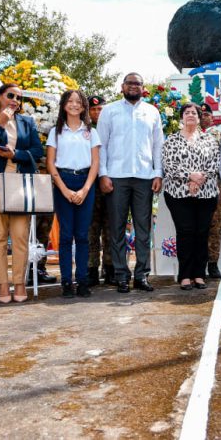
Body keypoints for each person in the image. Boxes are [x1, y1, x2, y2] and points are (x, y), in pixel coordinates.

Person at [0, 82, 44, 303]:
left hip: (19, 185)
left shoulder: (27, 122)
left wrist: (15, 154)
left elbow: (37, 151)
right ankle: (2, 284)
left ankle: (19, 283)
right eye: (11, 95)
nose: (15, 100)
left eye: (19, 97)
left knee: (21, 237)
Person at [97, 73, 163, 293]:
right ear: (122, 87)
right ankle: (121, 275)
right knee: (116, 229)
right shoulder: (109, 111)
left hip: (144, 178)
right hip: (116, 177)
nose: (134, 86)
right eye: (130, 83)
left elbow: (157, 146)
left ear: (143, 88)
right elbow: (102, 145)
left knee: (143, 230)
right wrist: (103, 174)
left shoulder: (152, 112)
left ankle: (142, 275)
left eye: (138, 83)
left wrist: (158, 173)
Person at [47, 89, 100, 298]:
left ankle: (83, 281)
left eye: (79, 101)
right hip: (63, 181)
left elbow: (95, 162)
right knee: (66, 235)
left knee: (82, 235)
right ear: (63, 105)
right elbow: (51, 163)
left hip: (85, 181)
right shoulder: (56, 132)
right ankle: (67, 282)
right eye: (70, 101)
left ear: (84, 106)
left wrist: (85, 189)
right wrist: (64, 189)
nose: (75, 104)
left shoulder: (91, 131)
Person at [162, 103, 220, 289]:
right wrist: (190, 176)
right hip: (178, 194)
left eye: (194, 113)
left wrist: (198, 180)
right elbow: (169, 165)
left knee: (202, 233)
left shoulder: (209, 139)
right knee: (186, 232)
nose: (190, 115)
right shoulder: (172, 140)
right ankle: (185, 275)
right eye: (187, 112)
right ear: (181, 117)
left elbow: (215, 163)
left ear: (199, 117)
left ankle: (199, 274)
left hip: (207, 193)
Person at [86, 94, 114, 286]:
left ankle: (111, 268)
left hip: (112, 183)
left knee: (112, 228)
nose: (97, 113)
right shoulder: (83, 130)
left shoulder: (112, 128)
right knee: (91, 229)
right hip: (89, 185)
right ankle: (91, 269)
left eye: (100, 109)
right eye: (93, 109)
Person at [200, 102, 221, 280]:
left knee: (215, 225)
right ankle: (198, 264)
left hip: (215, 184)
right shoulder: (187, 134)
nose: (203, 117)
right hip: (192, 185)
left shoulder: (219, 135)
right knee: (196, 226)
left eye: (206, 114)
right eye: (200, 114)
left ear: (212, 117)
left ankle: (213, 264)